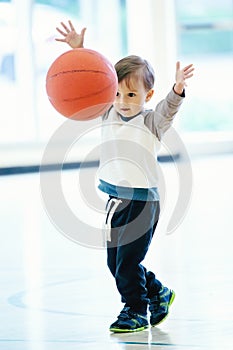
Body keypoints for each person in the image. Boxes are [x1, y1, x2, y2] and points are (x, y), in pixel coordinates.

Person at [55, 20, 194, 333]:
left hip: (143, 203)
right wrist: (79, 51)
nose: (123, 100)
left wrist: (178, 89)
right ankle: (158, 292)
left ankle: (135, 310)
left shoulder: (151, 122)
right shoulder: (107, 111)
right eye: (117, 93)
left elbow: (169, 109)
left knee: (127, 263)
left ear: (148, 94)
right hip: (115, 200)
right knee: (114, 263)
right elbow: (91, 79)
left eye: (132, 94)